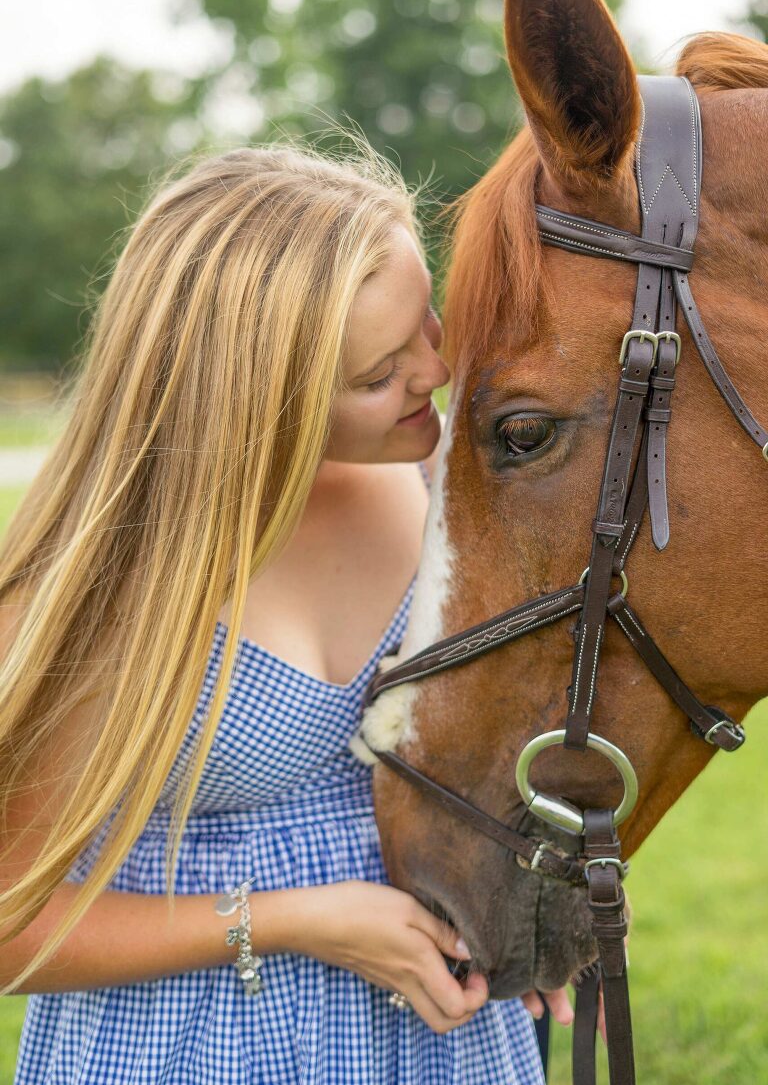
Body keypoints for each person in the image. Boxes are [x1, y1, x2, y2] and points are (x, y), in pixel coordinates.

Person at [0, 141, 567, 1084]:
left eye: (428, 315)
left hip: (438, 1038)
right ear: (257, 401)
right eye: (379, 372)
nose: (435, 369)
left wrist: (522, 901)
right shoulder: (108, 584)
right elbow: (13, 926)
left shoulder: (444, 484)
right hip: (196, 1045)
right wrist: (296, 919)